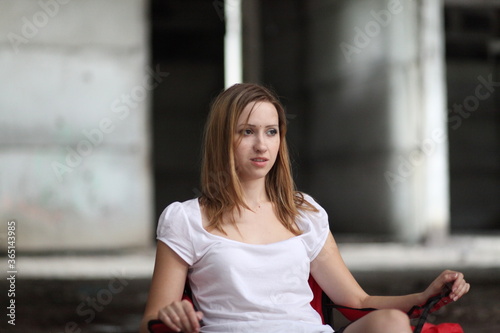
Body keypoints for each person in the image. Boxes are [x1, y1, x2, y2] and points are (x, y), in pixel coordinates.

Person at [140, 83, 470, 333]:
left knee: (392, 323)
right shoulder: (185, 219)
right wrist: (169, 318)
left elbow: (357, 301)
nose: (262, 145)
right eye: (247, 132)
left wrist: (425, 295)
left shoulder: (304, 213)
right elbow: (151, 321)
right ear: (222, 138)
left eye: (271, 132)